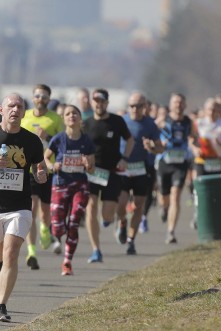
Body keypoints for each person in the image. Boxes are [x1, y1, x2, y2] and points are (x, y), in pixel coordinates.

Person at [0, 93, 48, 322]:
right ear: (1, 110)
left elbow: (41, 166)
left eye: (19, 106)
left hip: (19, 206)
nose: (15, 109)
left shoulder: (31, 141)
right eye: (11, 105)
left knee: (11, 252)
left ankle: (1, 305)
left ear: (24, 112)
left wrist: (41, 174)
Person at [82, 88, 133, 263]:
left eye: (102, 101)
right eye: (96, 101)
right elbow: (80, 146)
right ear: (92, 102)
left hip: (112, 173)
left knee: (106, 216)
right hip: (92, 172)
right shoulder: (86, 124)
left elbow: (130, 139)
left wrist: (125, 158)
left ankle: (116, 221)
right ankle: (96, 249)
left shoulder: (117, 121)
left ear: (107, 103)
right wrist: (83, 160)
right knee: (90, 207)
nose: (99, 104)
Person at [43, 105, 95, 274]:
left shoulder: (86, 141)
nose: (71, 116)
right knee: (58, 227)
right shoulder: (58, 139)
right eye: (68, 114)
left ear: (80, 119)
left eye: (75, 113)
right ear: (63, 119)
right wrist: (52, 165)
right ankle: (56, 231)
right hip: (60, 184)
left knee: (74, 222)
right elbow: (45, 158)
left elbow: (92, 169)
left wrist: (88, 165)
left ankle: (67, 261)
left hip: (80, 185)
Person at [20, 84, 64, 270]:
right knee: (31, 209)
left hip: (47, 169)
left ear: (49, 99)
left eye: (44, 96)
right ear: (33, 97)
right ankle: (31, 251)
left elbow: (63, 140)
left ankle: (46, 230)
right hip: (29, 169)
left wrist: (49, 135)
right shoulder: (26, 116)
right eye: (37, 95)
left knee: (45, 211)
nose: (40, 99)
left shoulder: (55, 118)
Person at [115, 92, 162, 255]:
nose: (135, 109)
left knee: (139, 205)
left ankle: (131, 240)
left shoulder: (150, 124)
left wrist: (152, 147)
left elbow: (160, 147)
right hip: (123, 168)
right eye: (132, 106)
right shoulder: (121, 122)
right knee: (120, 205)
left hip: (141, 169)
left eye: (139, 106)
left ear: (145, 107)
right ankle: (122, 223)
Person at [158, 93, 197, 244]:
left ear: (185, 105)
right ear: (171, 104)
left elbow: (193, 137)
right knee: (164, 197)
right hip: (164, 163)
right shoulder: (163, 120)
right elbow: (152, 134)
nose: (178, 105)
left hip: (181, 163)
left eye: (181, 102)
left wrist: (195, 145)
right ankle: (163, 207)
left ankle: (171, 231)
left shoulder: (188, 122)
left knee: (176, 196)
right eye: (175, 102)